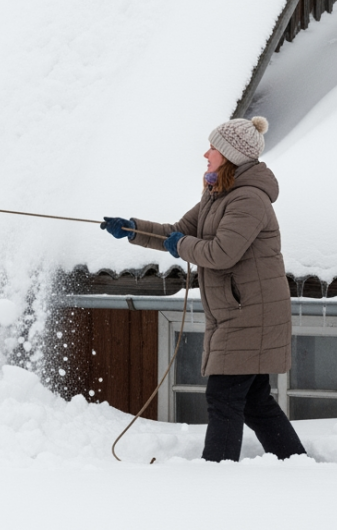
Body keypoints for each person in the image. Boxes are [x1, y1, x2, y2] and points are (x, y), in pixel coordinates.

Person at [102, 116, 306, 462]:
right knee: (254, 402)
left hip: (249, 314)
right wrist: (134, 229)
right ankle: (296, 463)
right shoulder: (218, 194)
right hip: (238, 312)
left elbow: (221, 253)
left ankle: (217, 474)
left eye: (213, 148)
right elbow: (178, 231)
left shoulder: (249, 200)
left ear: (230, 155)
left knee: (223, 398)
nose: (206, 154)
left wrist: (180, 245)